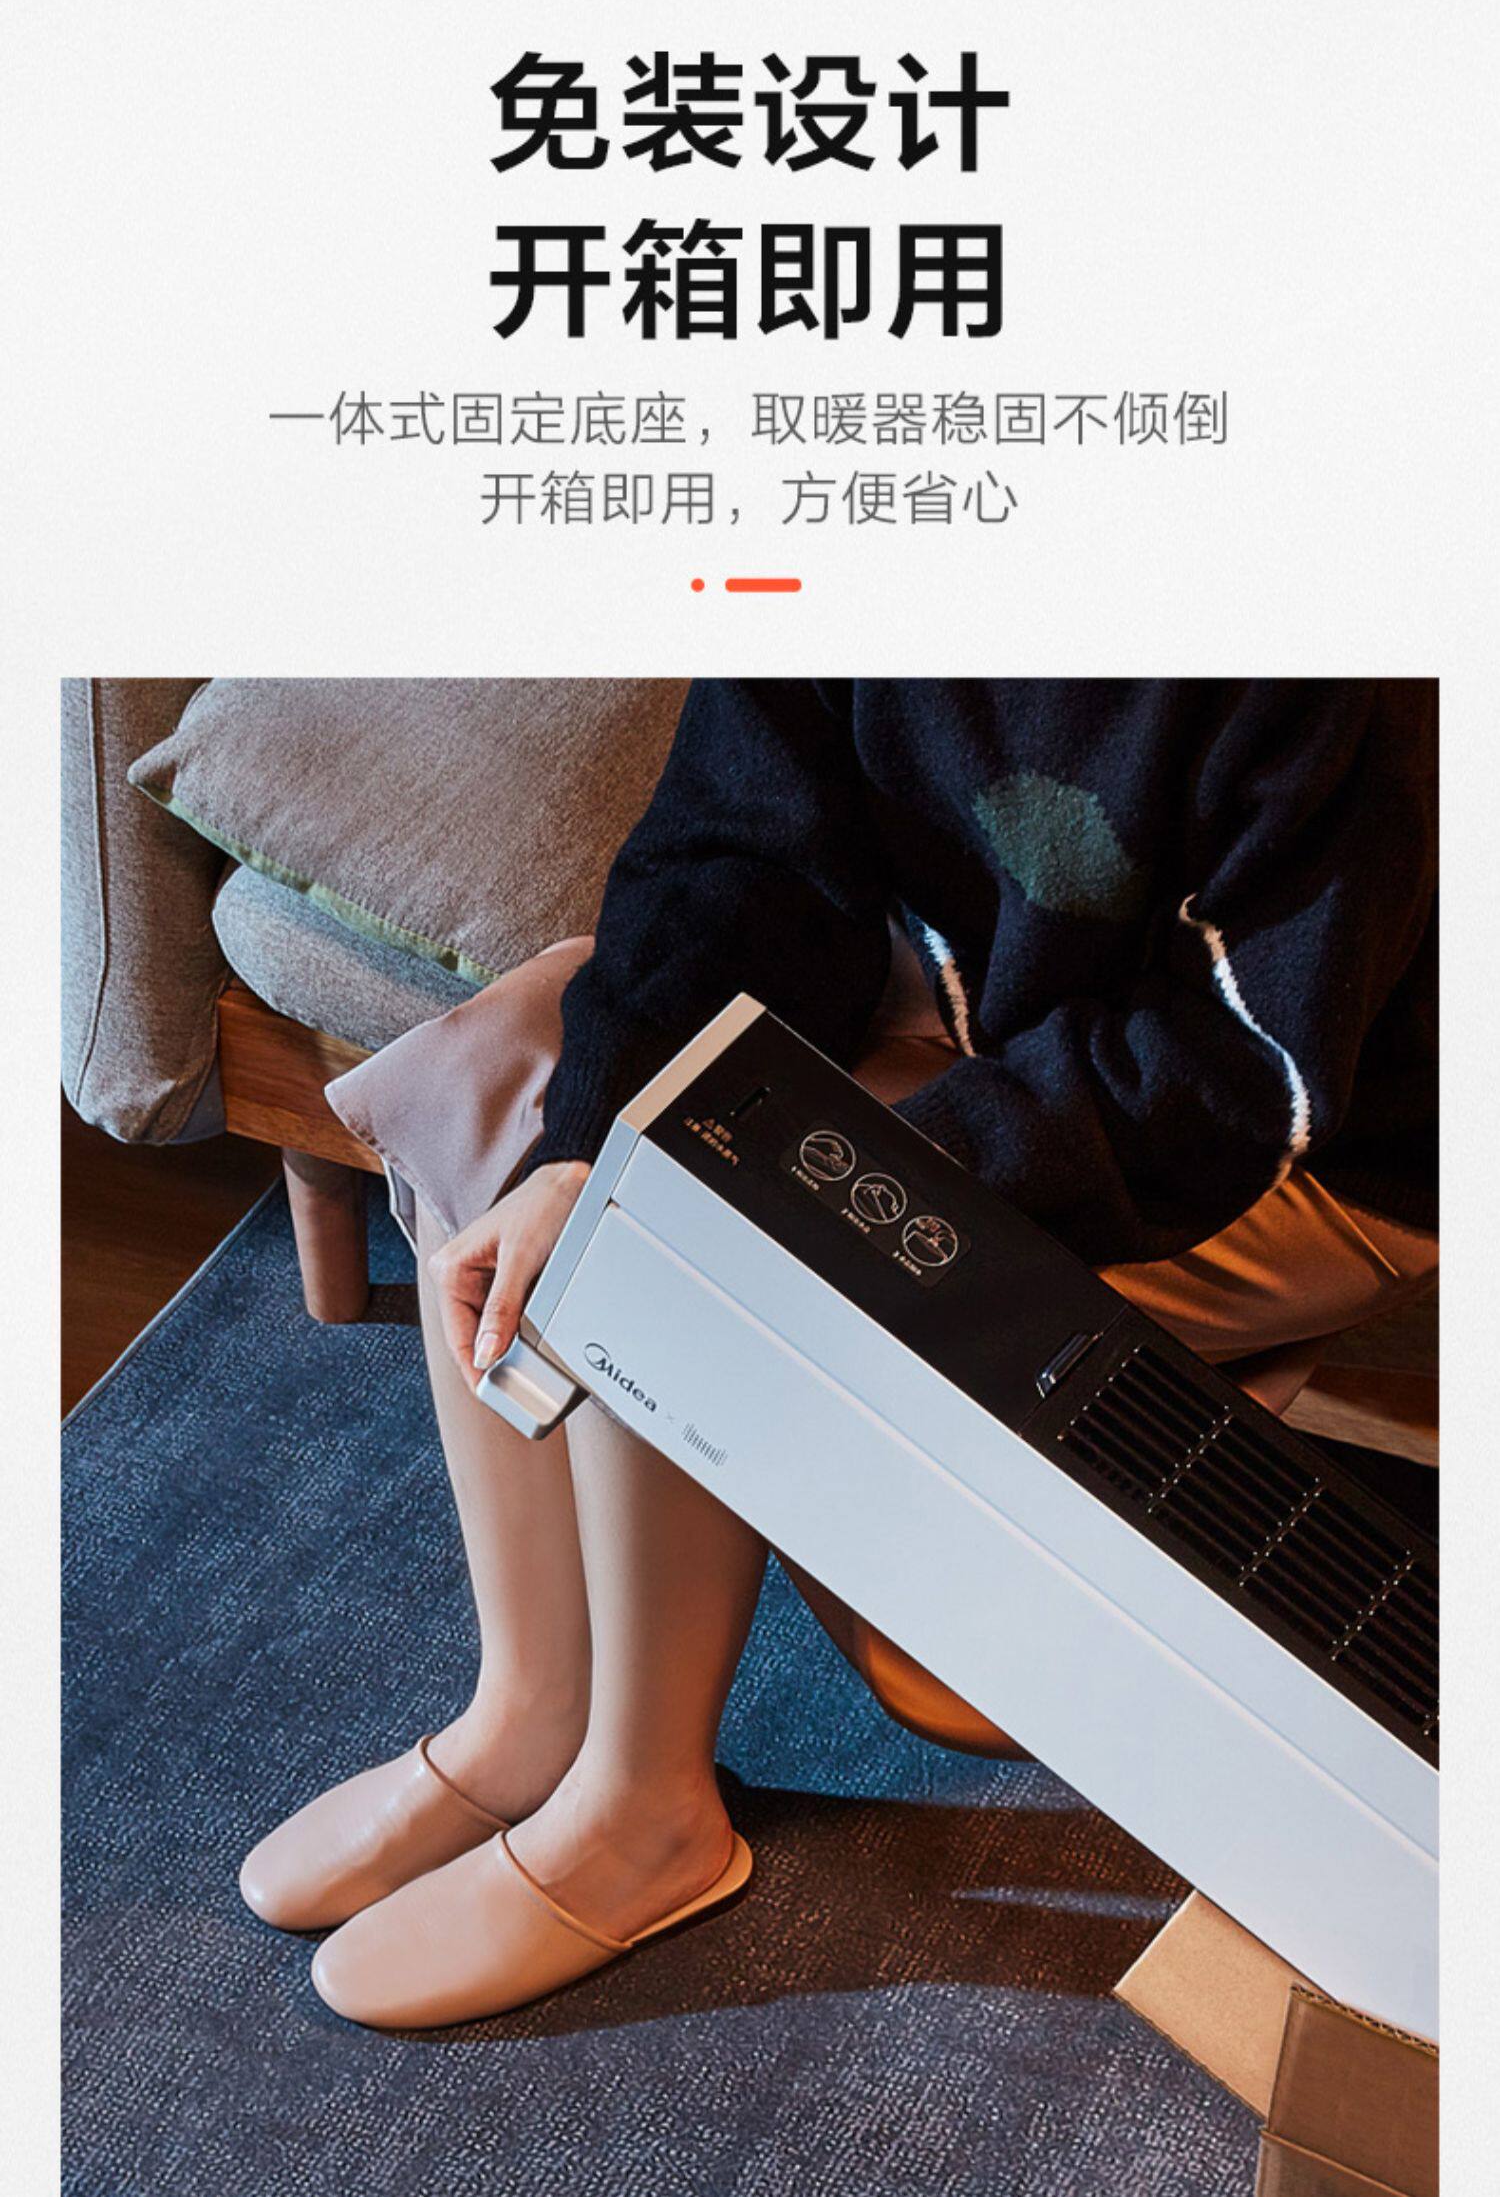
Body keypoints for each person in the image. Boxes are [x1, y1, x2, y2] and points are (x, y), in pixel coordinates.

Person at [237, 678, 1437, 2029]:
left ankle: (645, 1811)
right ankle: (532, 1711)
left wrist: (827, 1181)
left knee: (696, 1222)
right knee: (526, 1059)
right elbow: (741, 846)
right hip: (992, 1001)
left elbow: (1234, 1070)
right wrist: (585, 1142)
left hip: (1306, 1141)